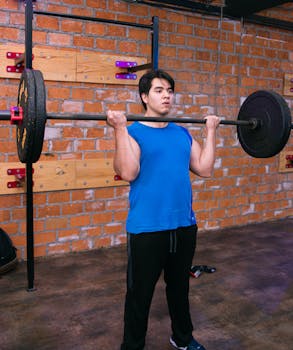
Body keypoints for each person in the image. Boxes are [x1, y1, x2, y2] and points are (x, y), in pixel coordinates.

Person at [106, 69, 220, 350]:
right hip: (147, 228)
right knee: (139, 294)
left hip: (183, 226)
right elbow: (129, 172)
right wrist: (120, 128)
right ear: (144, 97)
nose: (167, 95)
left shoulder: (181, 133)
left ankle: (182, 338)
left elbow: (204, 169)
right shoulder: (132, 132)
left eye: (169, 90)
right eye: (159, 90)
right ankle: (132, 346)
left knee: (179, 288)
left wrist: (210, 130)